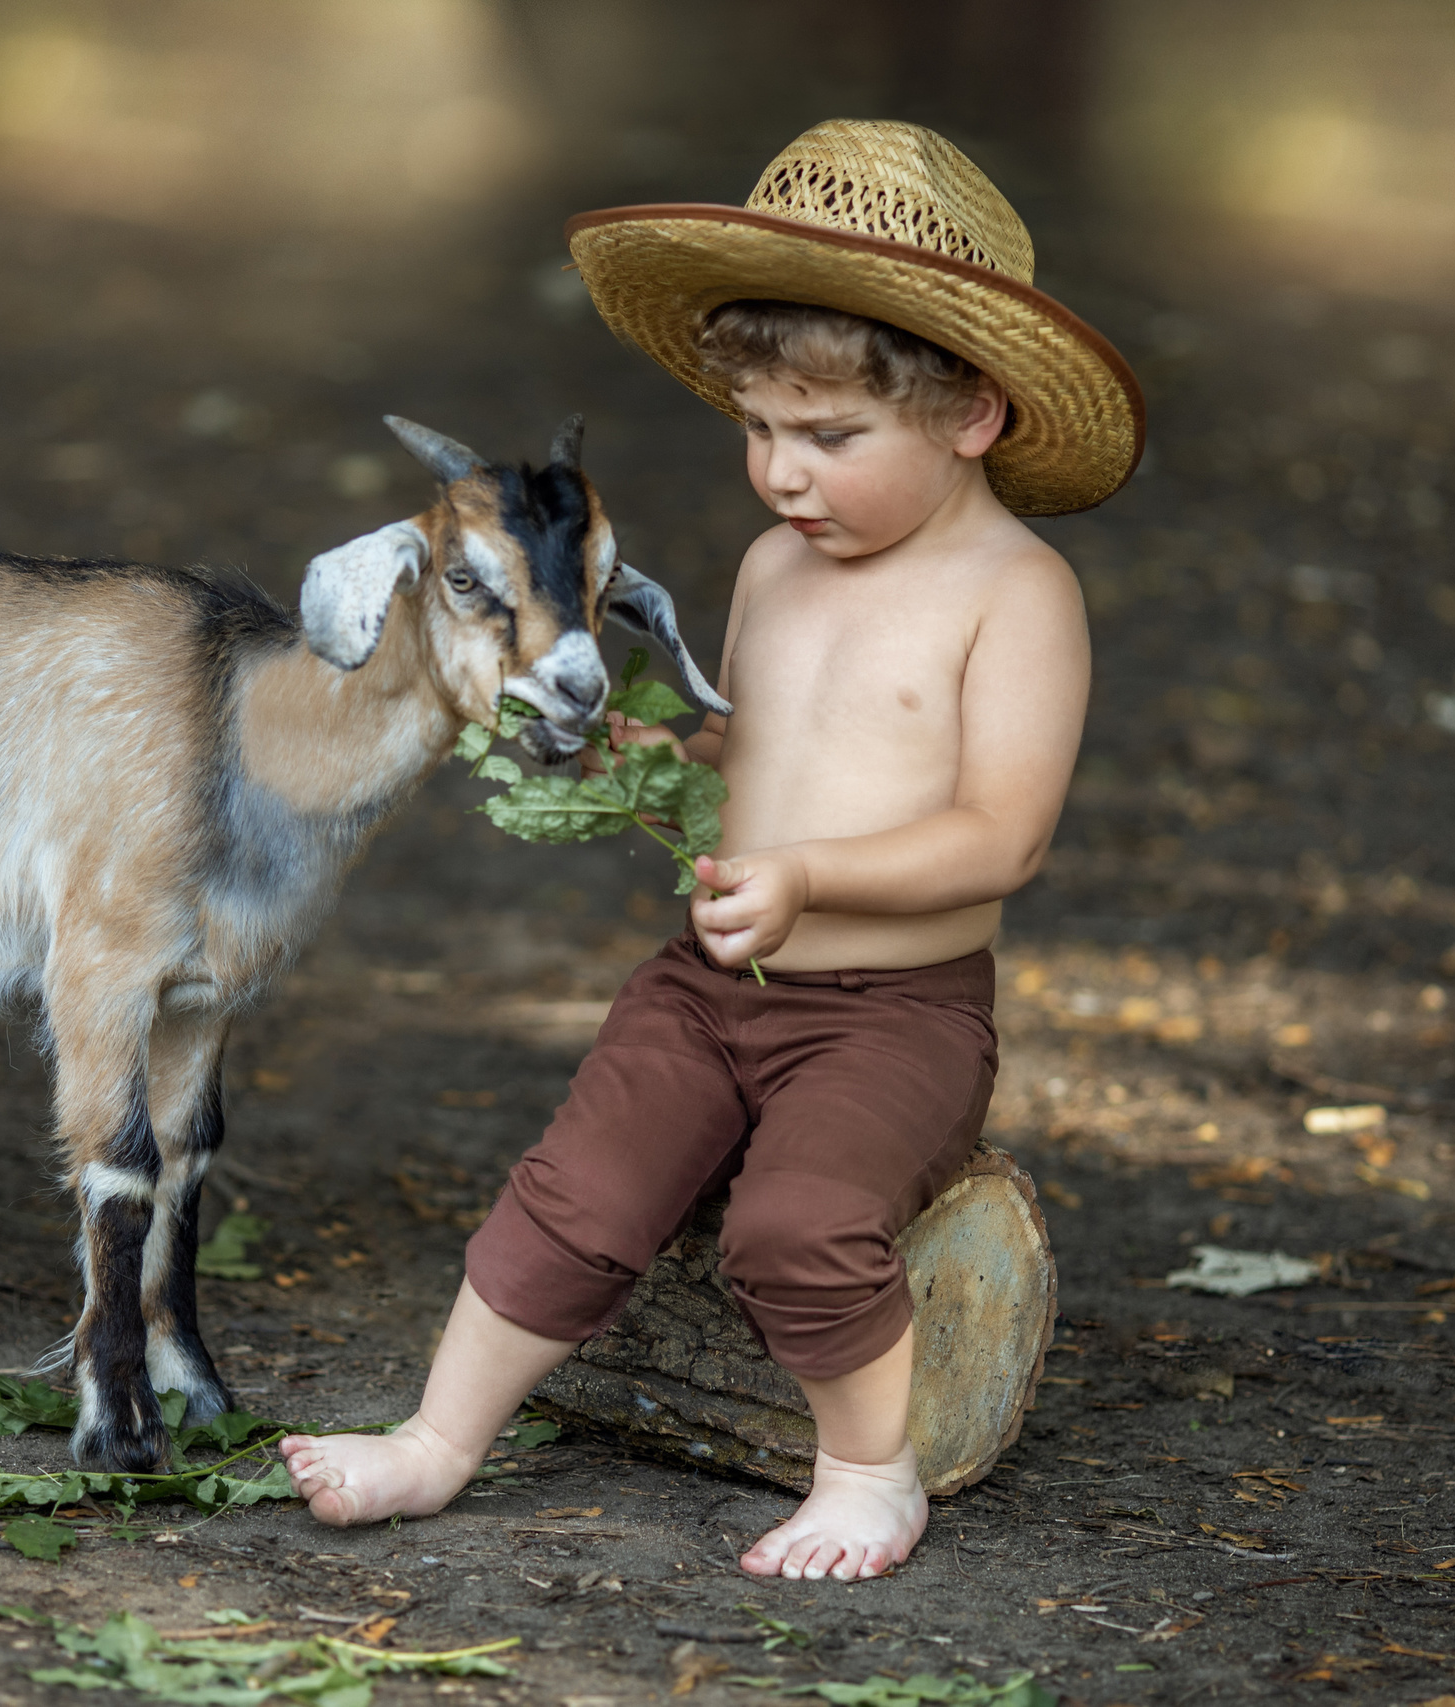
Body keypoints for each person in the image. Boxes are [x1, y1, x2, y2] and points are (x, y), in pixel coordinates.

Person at [280, 119, 1144, 1581]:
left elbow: (1003, 836)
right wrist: (651, 770)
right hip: (712, 980)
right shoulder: (770, 567)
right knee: (579, 1190)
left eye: (829, 438)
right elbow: (749, 753)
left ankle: (873, 1472)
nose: (781, 476)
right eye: (755, 428)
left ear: (974, 414)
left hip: (894, 1012)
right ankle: (436, 1442)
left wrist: (811, 879)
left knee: (798, 1222)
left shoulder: (1017, 594)